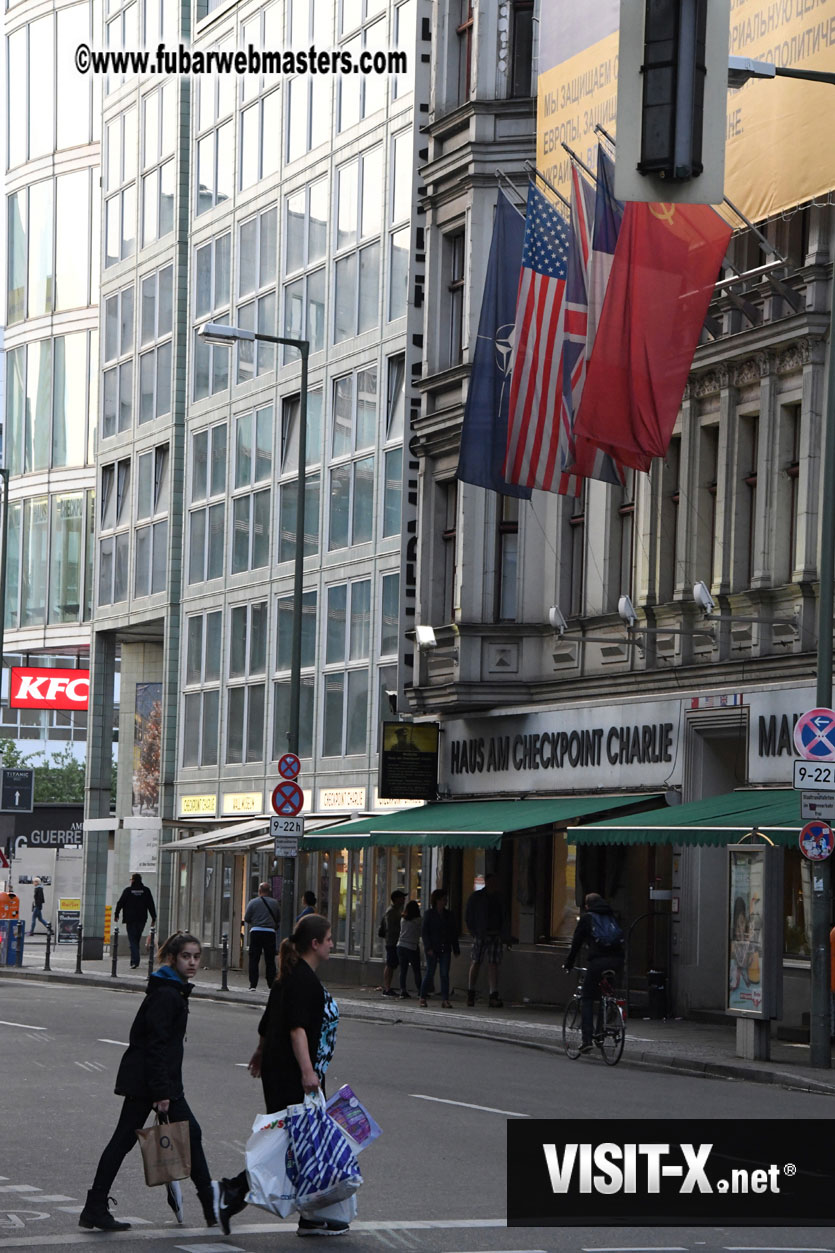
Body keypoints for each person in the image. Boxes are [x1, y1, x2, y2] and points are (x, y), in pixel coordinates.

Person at [216, 913, 355, 1238]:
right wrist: (309, 1074)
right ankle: (233, 1191)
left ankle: (310, 1214)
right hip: (294, 1072)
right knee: (290, 1143)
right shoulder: (303, 979)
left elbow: (269, 1022)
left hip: (281, 1069)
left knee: (301, 1142)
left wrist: (260, 1052)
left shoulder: (290, 975)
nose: (333, 944)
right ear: (315, 944)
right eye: (330, 938)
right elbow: (297, 1029)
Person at [78, 932, 219, 1232]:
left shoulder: (172, 989)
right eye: (186, 956)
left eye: (196, 957)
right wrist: (162, 1091)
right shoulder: (168, 994)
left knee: (133, 1139)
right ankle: (211, 1206)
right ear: (172, 958)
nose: (192, 962)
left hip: (153, 1081)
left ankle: (94, 1206)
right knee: (179, 1135)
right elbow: (156, 1045)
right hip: (153, 1082)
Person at [563, 892, 625, 1054]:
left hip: (598, 962)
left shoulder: (587, 918)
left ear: (587, 905)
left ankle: (587, 1039)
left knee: (588, 998)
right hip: (617, 961)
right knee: (606, 995)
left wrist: (568, 964)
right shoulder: (611, 915)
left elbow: (576, 943)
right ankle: (602, 1032)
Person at [465, 873, 508, 1008]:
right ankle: (471, 992)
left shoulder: (499, 898)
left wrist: (503, 933)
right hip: (481, 934)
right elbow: (469, 916)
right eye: (492, 882)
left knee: (493, 963)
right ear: (487, 882)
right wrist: (474, 932)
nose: (494, 885)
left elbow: (504, 915)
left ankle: (493, 994)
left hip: (495, 934)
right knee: (476, 961)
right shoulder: (477, 897)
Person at [419, 888, 460, 1008]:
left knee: (444, 973)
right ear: (437, 901)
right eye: (443, 899)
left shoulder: (449, 915)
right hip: (433, 947)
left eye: (445, 899)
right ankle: (422, 996)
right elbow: (425, 932)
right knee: (430, 972)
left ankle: (445, 999)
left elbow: (453, 932)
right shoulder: (429, 914)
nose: (445, 902)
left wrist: (455, 948)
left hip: (445, 947)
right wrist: (428, 947)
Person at [114, 873, 157, 969]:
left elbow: (120, 903)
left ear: (133, 880)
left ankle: (135, 960)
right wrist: (153, 917)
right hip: (142, 919)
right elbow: (151, 904)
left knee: (133, 940)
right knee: (136, 939)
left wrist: (116, 914)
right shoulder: (146, 891)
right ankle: (133, 960)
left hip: (130, 919)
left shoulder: (128, 891)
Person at [244, 882, 281, 990]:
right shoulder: (275, 903)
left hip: (256, 931)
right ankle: (271, 984)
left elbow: (247, 918)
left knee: (254, 959)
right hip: (270, 933)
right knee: (270, 960)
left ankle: (253, 985)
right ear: (269, 892)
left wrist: (255, 921)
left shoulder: (252, 902)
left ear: (259, 891)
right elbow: (278, 918)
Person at [380, 888, 406, 997]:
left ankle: (387, 987)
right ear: (396, 899)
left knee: (392, 964)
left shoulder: (397, 910)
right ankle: (387, 988)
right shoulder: (391, 911)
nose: (404, 899)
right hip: (392, 942)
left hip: (394, 941)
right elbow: (390, 928)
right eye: (402, 898)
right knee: (390, 964)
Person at [397, 900, 422, 999]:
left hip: (401, 945)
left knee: (403, 970)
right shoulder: (418, 920)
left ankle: (403, 990)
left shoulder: (403, 919)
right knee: (416, 970)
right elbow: (421, 932)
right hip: (412, 947)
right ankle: (420, 990)